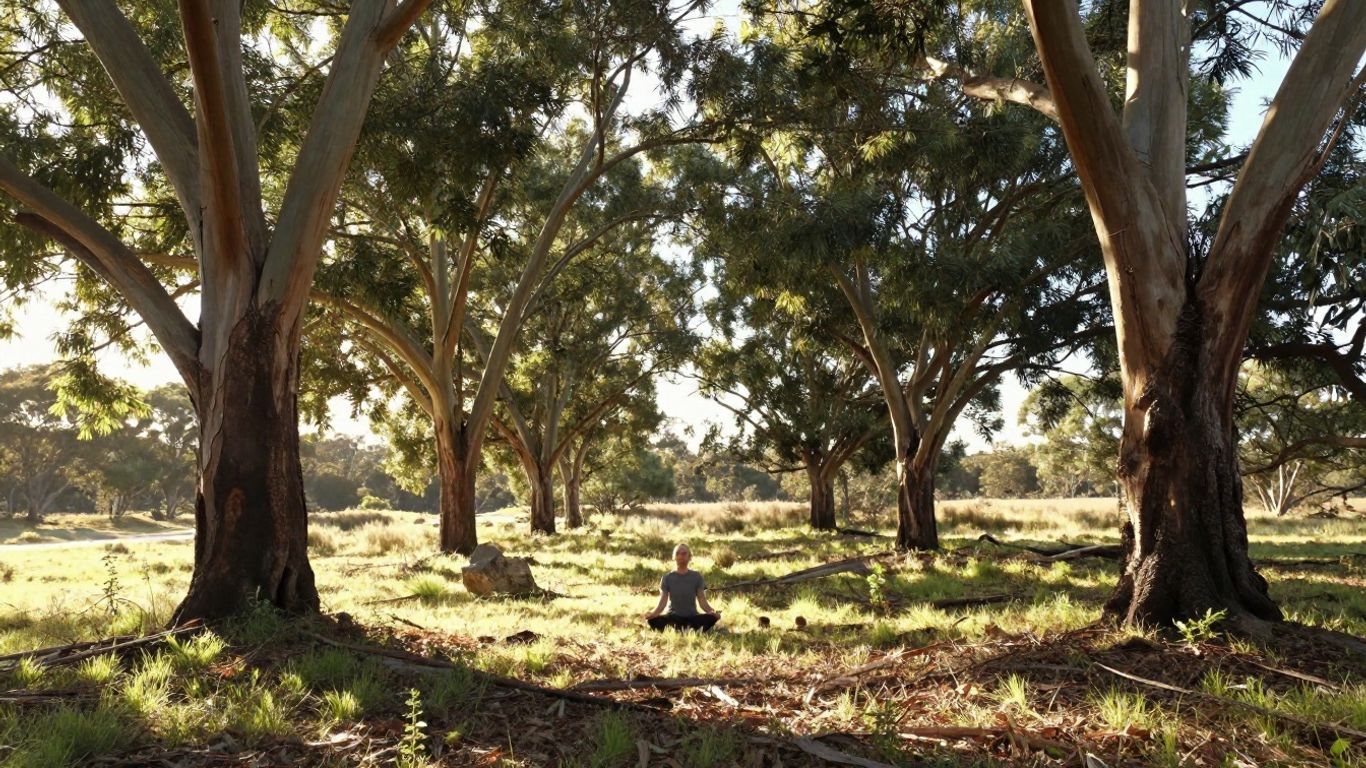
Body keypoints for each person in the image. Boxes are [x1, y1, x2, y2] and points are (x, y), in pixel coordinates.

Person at [643, 543, 721, 632]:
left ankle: (682, 629)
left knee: (710, 618)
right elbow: (662, 602)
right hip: (673, 617)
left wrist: (712, 612)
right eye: (677, 553)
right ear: (674, 557)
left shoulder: (697, 576)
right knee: (652, 621)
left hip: (692, 617)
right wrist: (653, 614)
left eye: (684, 553)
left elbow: (702, 600)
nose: (680, 556)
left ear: (690, 557)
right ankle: (686, 630)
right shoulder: (667, 578)